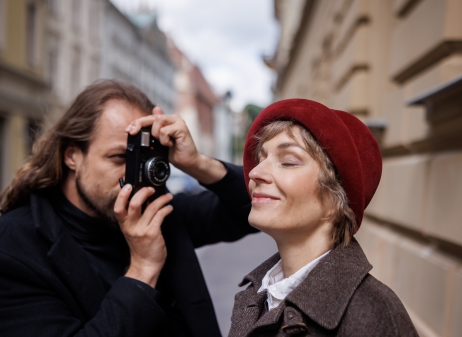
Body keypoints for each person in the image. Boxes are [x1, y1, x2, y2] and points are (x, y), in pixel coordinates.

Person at [0, 80, 256, 337]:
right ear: (72, 156)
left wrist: (197, 163)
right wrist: (143, 268)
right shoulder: (15, 245)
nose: (133, 175)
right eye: (120, 158)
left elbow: (252, 209)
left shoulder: (158, 213)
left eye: (142, 159)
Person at [229, 99, 418, 337]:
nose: (255, 173)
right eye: (261, 159)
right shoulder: (259, 292)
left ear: (335, 199)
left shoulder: (373, 314)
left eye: (287, 162)